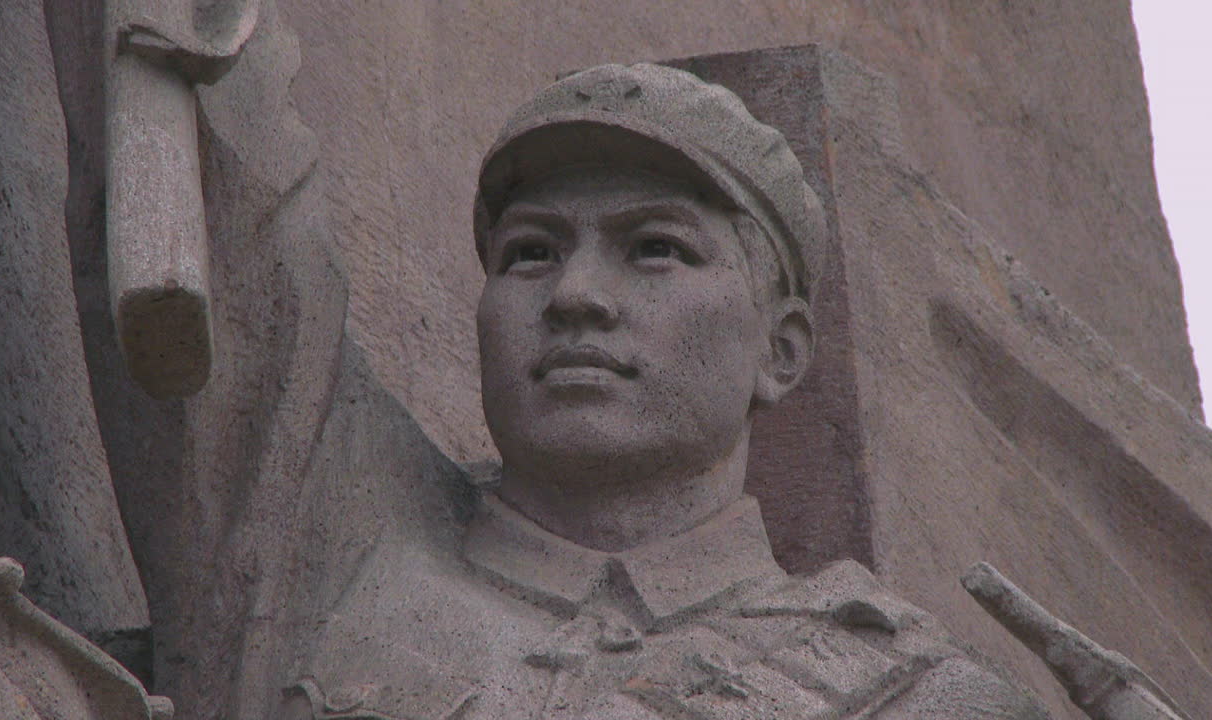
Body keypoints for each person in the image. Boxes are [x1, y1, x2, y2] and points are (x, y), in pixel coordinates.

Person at [284, 63, 1047, 720]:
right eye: (530, 253)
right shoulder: (329, 552)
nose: (575, 295)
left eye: (656, 248)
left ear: (779, 352)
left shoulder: (918, 694)